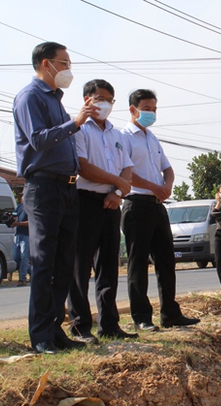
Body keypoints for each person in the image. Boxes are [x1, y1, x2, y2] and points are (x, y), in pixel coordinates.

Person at [13, 41, 99, 354]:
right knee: (44, 262)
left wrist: (73, 123)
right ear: (46, 64)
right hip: (43, 188)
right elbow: (37, 139)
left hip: (67, 188)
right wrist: (74, 123)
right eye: (64, 62)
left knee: (64, 263)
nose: (68, 69)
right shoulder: (29, 97)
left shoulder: (57, 101)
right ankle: (40, 337)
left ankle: (55, 330)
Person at [120, 89, 200, 331]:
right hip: (136, 205)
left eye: (154, 109)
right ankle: (142, 318)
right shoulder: (123, 137)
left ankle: (170, 313)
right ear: (133, 109)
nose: (151, 113)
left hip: (157, 206)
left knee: (166, 261)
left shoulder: (151, 138)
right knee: (138, 263)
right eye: (146, 108)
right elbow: (126, 173)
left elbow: (168, 169)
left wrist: (166, 186)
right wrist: (154, 187)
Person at [67, 79, 138, 344]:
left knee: (108, 266)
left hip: (111, 204)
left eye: (110, 99)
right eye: (100, 98)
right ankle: (79, 327)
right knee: (80, 266)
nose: (106, 104)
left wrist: (118, 192)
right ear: (87, 99)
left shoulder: (117, 134)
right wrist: (119, 182)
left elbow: (127, 168)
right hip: (84, 201)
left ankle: (109, 324)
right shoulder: (79, 130)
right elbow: (83, 167)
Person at [10, 194, 30, 287]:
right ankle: (31, 270)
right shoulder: (19, 207)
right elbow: (15, 215)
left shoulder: (31, 207)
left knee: (24, 257)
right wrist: (11, 220)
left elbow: (31, 222)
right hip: (17, 235)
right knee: (16, 257)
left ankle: (22, 279)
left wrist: (17, 223)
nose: (22, 197)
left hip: (26, 235)